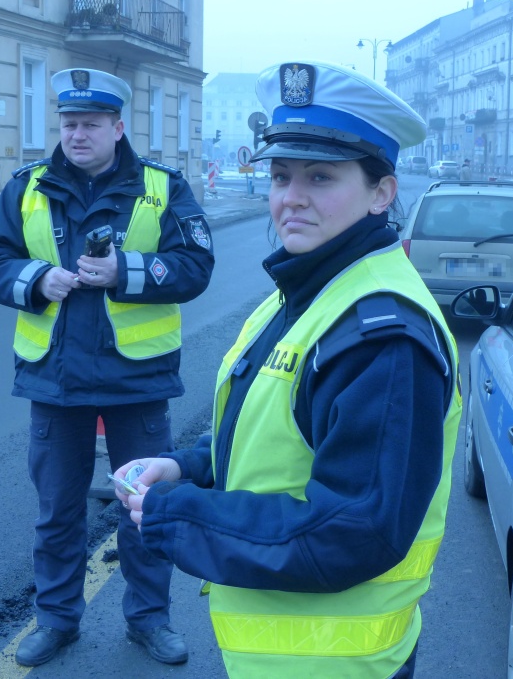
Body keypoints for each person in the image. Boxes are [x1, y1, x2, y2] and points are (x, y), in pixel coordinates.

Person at [114, 60, 462, 679]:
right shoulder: (312, 288)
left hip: (338, 665)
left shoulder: (381, 335)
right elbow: (273, 440)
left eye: (321, 177)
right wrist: (190, 466)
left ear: (382, 191)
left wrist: (180, 512)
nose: (290, 198)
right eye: (280, 175)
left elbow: (354, 531)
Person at [0, 68, 214, 668]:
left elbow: (195, 264)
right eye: (68, 123)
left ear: (116, 127)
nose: (77, 135)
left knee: (144, 509)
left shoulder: (162, 188)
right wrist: (34, 279)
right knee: (57, 512)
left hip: (138, 383)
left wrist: (125, 273)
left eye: (90, 124)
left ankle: (148, 620)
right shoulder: (28, 186)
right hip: (54, 383)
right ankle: (56, 620)